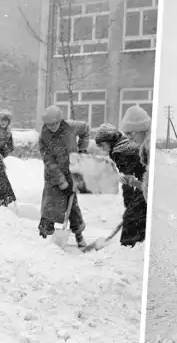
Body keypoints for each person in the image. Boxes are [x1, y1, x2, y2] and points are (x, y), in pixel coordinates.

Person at [37, 105, 90, 247]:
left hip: (72, 171)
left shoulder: (72, 127)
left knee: (72, 205)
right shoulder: (44, 137)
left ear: (60, 120)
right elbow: (49, 162)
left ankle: (79, 235)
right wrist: (62, 182)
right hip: (53, 176)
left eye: (54, 124)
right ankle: (44, 236)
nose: (52, 127)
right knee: (50, 204)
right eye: (48, 125)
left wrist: (83, 149)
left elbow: (86, 129)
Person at [95, 123, 147, 247]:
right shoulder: (125, 145)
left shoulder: (120, 152)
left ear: (110, 141)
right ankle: (137, 242)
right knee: (138, 214)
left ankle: (128, 247)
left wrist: (128, 205)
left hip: (145, 182)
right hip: (144, 181)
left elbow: (127, 180)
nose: (101, 149)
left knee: (131, 218)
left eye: (102, 145)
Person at [120, 104, 152, 203]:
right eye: (126, 134)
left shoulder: (152, 149)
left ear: (141, 129)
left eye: (130, 133)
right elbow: (150, 189)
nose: (128, 137)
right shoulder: (146, 149)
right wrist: (134, 182)